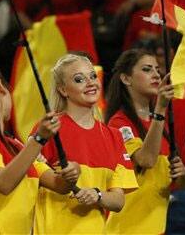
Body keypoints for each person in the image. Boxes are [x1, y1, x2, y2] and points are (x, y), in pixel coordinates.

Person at [0, 64, 80, 234]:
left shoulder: (17, 145)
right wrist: (39, 139)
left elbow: (60, 185)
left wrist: (73, 172)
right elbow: (3, 183)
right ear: (0, 87)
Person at [33, 53, 138, 234]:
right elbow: (36, 175)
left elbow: (118, 201)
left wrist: (97, 194)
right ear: (63, 90)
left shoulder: (113, 136)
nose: (90, 83)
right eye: (79, 79)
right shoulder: (48, 128)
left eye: (92, 76)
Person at [104, 48, 185, 234]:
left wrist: (182, 174)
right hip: (127, 229)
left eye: (157, 69)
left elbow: (178, 184)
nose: (156, 74)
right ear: (126, 79)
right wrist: (160, 109)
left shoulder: (159, 124)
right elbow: (146, 160)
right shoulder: (119, 123)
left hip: (156, 228)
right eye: (146, 69)